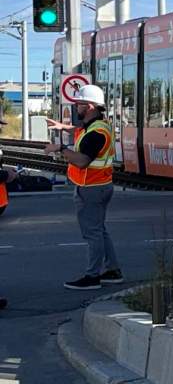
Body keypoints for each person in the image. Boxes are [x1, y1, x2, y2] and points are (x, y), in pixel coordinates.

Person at [44, 84, 122, 290]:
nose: (76, 107)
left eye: (79, 103)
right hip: (101, 185)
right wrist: (63, 127)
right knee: (100, 230)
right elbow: (81, 130)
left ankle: (92, 277)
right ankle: (113, 270)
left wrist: (60, 148)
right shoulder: (100, 125)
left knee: (92, 233)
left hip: (91, 188)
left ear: (89, 106)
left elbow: (82, 161)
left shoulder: (95, 134)